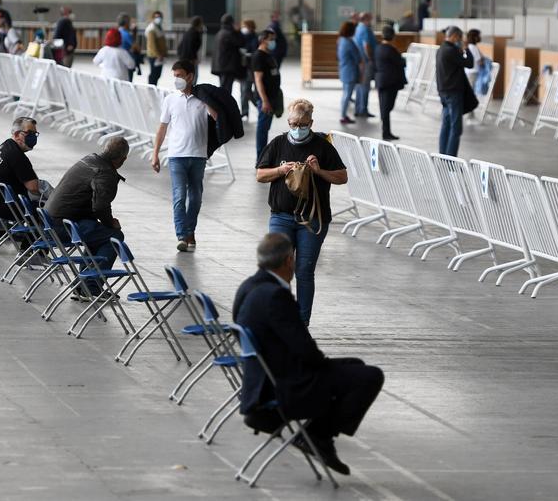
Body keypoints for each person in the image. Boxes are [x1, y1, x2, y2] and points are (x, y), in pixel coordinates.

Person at [234, 233, 384, 476]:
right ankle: (319, 434)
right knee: (370, 376)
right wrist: (321, 365)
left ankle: (319, 432)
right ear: (288, 260)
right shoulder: (276, 295)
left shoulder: (250, 286)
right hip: (283, 384)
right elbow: (305, 349)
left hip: (261, 375)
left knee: (354, 366)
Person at [254, 99, 347, 324]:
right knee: (277, 268)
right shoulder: (278, 144)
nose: (297, 128)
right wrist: (280, 169)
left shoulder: (323, 146)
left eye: (302, 124)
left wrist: (319, 170)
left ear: (310, 122)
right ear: (288, 121)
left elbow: (342, 177)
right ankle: (278, 317)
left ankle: (301, 323)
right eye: (293, 123)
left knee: (304, 271)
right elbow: (260, 174)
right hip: (281, 216)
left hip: (313, 219)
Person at [44, 136, 130, 293]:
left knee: (97, 232)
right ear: (123, 159)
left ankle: (83, 284)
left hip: (49, 219)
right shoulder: (105, 173)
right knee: (114, 236)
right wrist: (111, 223)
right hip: (63, 226)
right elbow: (100, 207)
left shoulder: (89, 159)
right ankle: (90, 287)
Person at [152, 60, 211, 253]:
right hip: (176, 155)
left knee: (196, 198)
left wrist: (211, 104)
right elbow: (162, 128)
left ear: (190, 76)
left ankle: (190, 230)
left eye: (179, 75)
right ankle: (182, 236)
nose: (176, 79)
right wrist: (155, 154)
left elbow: (218, 120)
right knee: (179, 196)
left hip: (198, 155)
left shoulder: (203, 100)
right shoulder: (170, 99)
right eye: (174, 76)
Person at [0, 117, 43, 217]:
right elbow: (34, 188)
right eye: (29, 133)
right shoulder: (16, 155)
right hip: (11, 208)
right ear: (17, 134)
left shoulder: (6, 145)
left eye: (35, 134)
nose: (33, 137)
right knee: (53, 209)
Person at [435, 26, 472, 156]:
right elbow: (469, 63)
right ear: (455, 36)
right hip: (453, 92)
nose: (460, 40)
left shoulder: (441, 49)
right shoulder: (451, 50)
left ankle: (442, 155)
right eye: (460, 38)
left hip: (444, 92)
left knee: (446, 124)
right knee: (456, 128)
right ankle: (451, 159)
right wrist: (466, 48)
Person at [250, 30, 282, 161]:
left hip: (273, 97)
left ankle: (264, 157)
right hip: (266, 99)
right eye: (271, 39)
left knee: (266, 127)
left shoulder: (269, 55)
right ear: (263, 40)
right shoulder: (258, 56)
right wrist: (264, 100)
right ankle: (261, 158)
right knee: (262, 129)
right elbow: (258, 80)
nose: (273, 42)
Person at [373, 25, 406, 141]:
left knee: (384, 107)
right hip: (390, 82)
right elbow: (401, 62)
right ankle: (386, 132)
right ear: (393, 36)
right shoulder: (391, 50)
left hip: (381, 80)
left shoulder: (378, 48)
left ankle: (386, 131)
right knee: (387, 108)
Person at [336, 21, 363, 126]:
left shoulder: (341, 40)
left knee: (345, 94)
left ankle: (343, 115)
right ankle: (343, 116)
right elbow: (357, 58)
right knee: (347, 95)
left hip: (344, 70)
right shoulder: (349, 43)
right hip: (350, 71)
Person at [352, 12, 377, 120]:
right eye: (370, 19)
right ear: (366, 19)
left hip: (359, 61)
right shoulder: (366, 29)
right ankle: (363, 109)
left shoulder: (358, 28)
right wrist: (370, 58)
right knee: (365, 86)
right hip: (366, 62)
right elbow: (366, 45)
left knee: (359, 86)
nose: (371, 21)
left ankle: (358, 109)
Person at [212, 15, 244, 94]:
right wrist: (238, 31)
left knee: (223, 87)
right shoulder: (229, 33)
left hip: (221, 65)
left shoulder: (220, 33)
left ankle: (223, 105)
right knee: (226, 90)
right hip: (227, 67)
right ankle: (224, 105)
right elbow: (241, 42)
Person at [239, 19, 259, 119]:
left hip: (251, 68)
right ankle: (245, 111)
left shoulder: (255, 38)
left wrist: (247, 53)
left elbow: (255, 52)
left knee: (247, 90)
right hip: (243, 67)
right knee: (244, 90)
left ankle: (258, 106)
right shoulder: (241, 37)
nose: (243, 28)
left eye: (245, 26)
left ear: (250, 27)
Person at [143, 11, 168, 86]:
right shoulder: (151, 29)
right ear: (153, 18)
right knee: (154, 74)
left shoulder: (158, 27)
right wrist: (158, 55)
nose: (158, 18)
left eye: (159, 17)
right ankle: (151, 87)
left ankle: (154, 87)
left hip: (159, 55)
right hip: (154, 56)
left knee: (157, 74)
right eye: (156, 17)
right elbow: (152, 44)